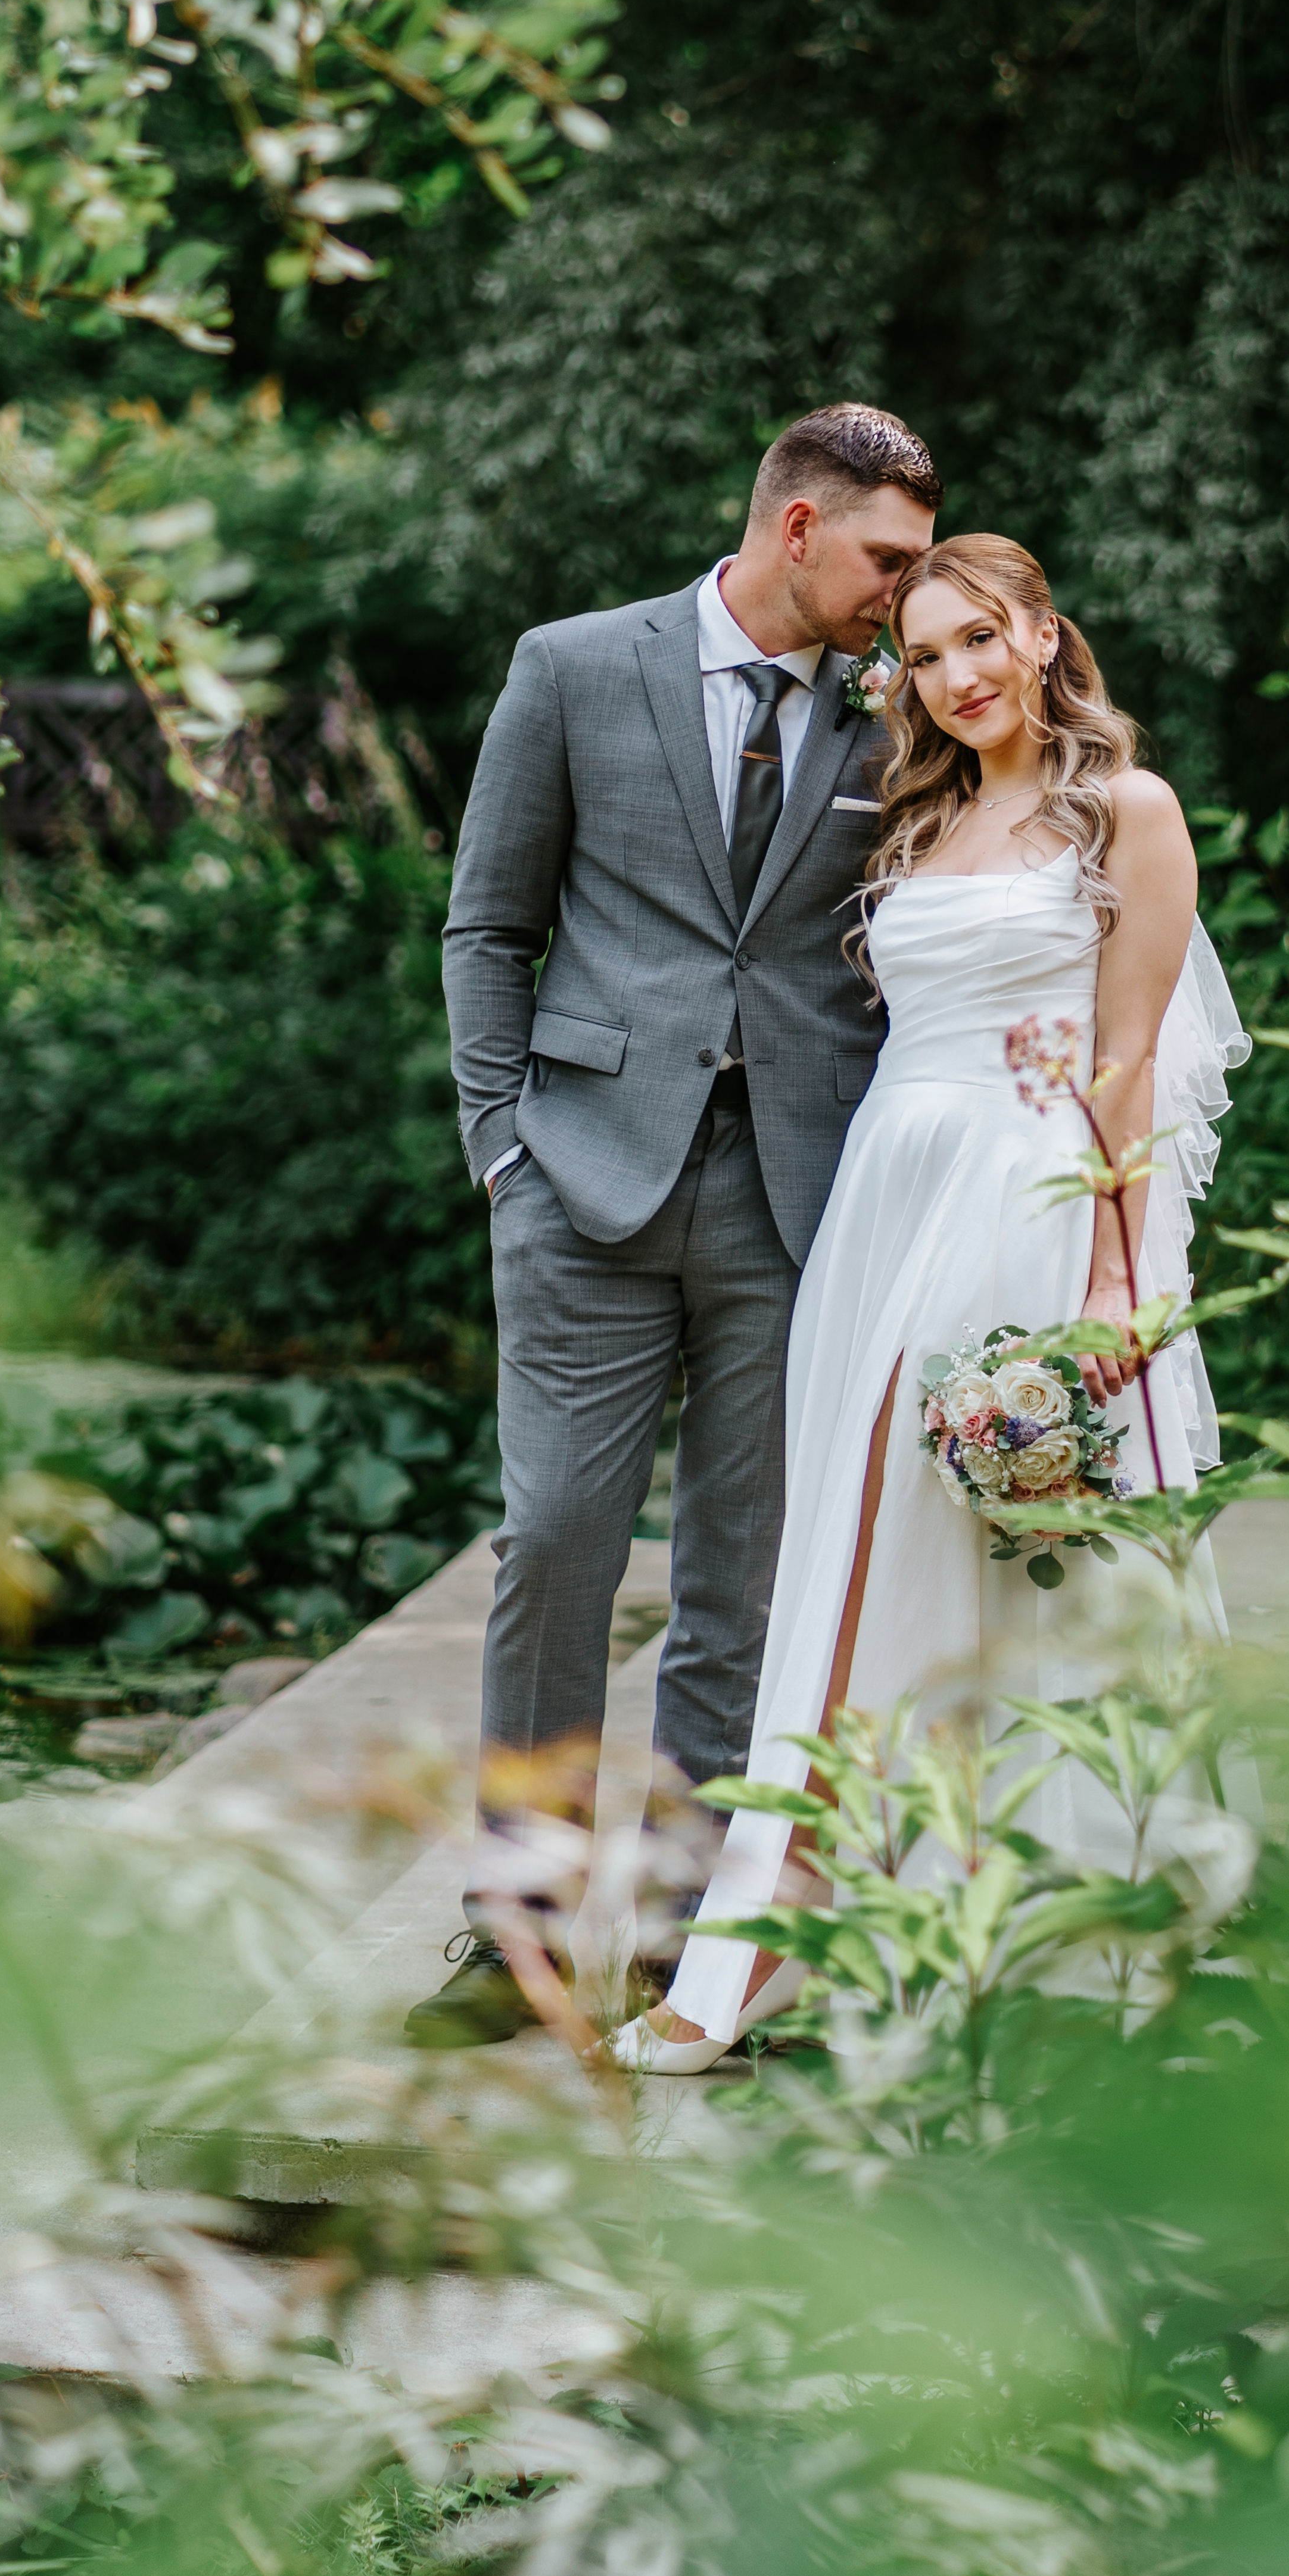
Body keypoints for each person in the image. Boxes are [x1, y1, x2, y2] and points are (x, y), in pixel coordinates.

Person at [612, 531, 1248, 2072]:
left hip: (1030, 1202)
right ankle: (819, 1911)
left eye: (982, 638)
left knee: (1037, 1561)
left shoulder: (1127, 815)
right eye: (928, 650)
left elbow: (1128, 1055)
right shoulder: (919, 819)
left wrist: (1110, 1277)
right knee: (851, 1545)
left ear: (1043, 635)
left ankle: (1071, 1916)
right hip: (886, 1213)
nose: (956, 674)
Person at [407, 403, 942, 2048]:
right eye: (886, 559)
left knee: (744, 1575)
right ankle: (525, 1926)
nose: (904, 597)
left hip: (797, 1199)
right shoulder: (573, 666)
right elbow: (489, 921)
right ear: (796, 525)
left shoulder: (895, 710)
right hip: (583, 1183)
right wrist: (503, 1141)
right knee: (558, 1540)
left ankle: (695, 1929)